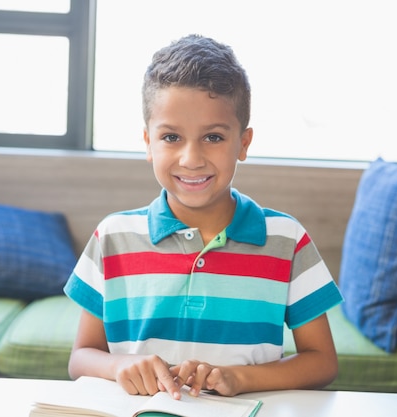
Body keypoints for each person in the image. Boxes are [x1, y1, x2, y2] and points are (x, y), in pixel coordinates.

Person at [64, 34, 343, 400]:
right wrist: (119, 367)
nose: (191, 159)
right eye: (171, 137)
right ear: (148, 141)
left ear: (243, 143)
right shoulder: (112, 236)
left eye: (213, 137)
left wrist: (241, 378)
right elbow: (80, 359)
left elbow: (322, 361)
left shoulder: (287, 240)